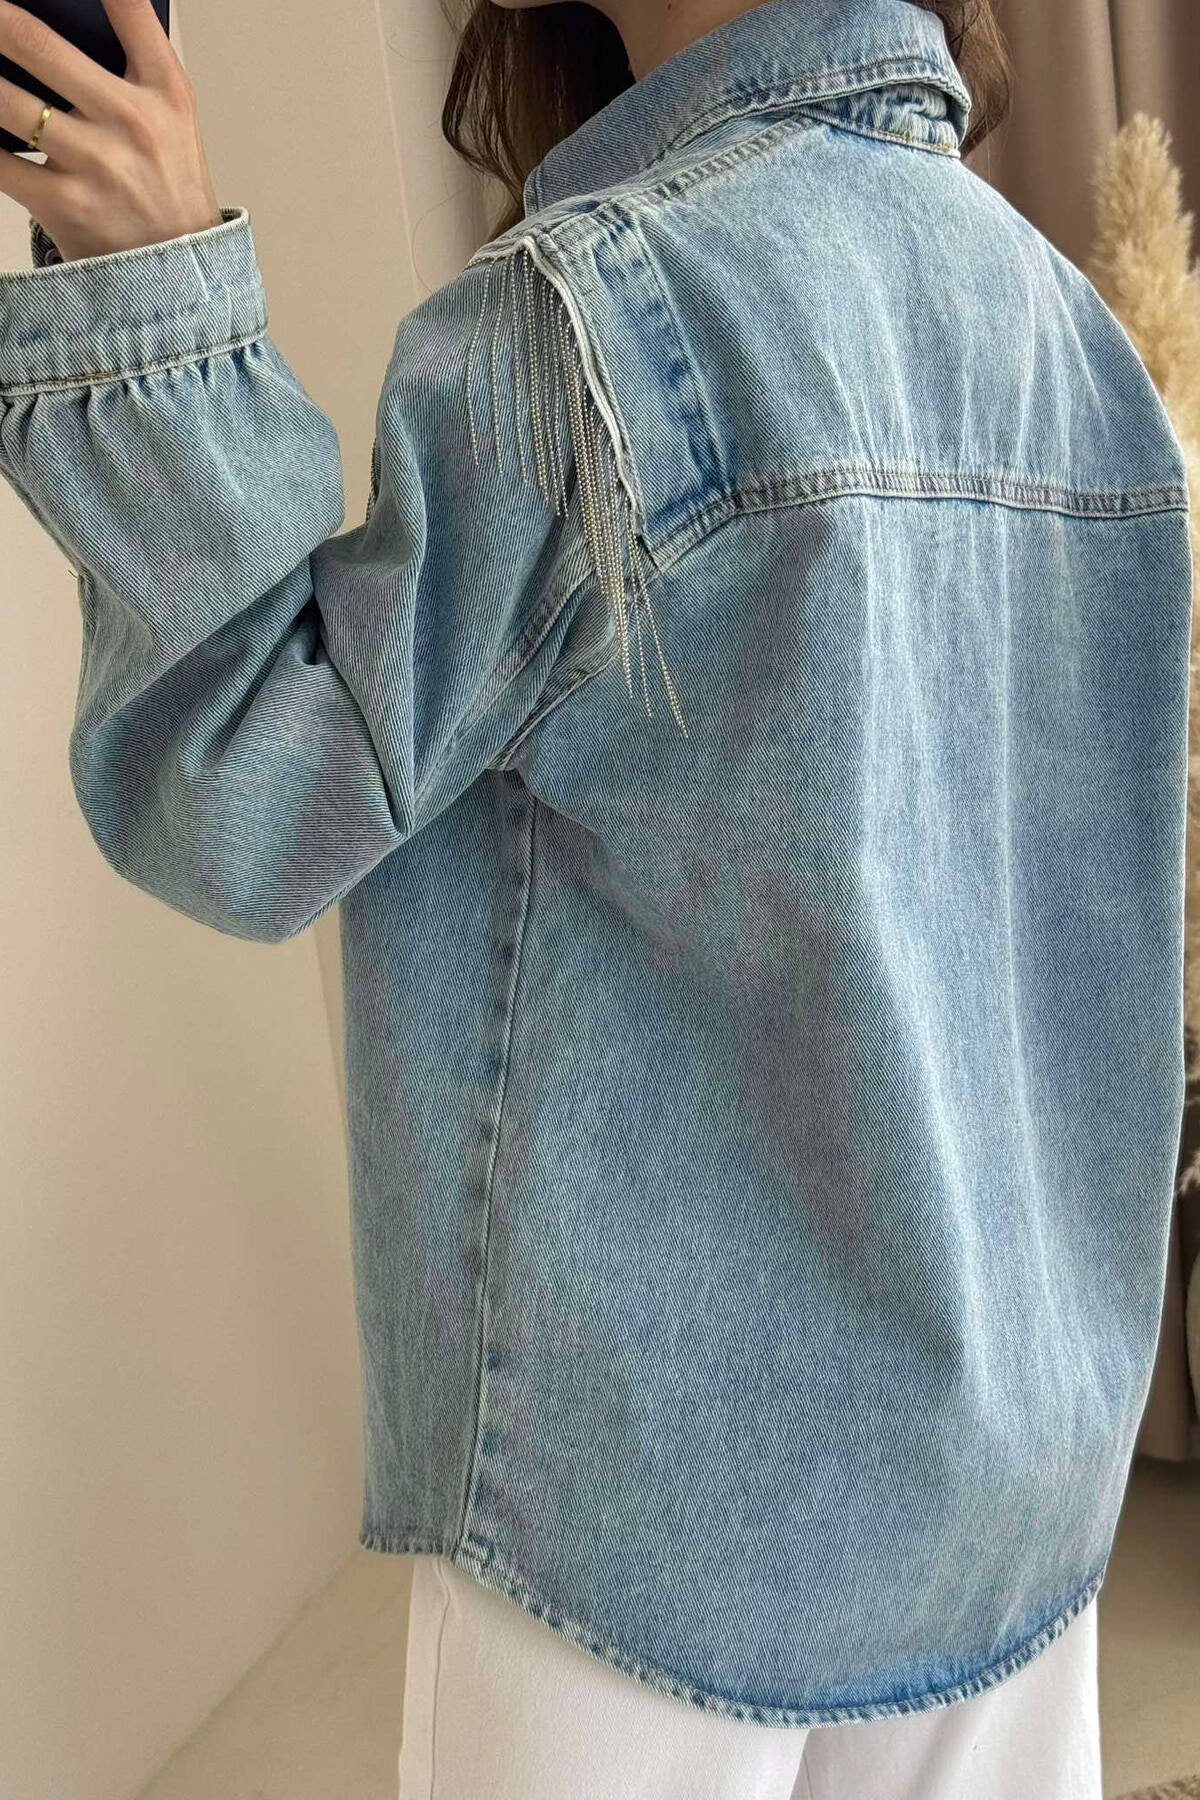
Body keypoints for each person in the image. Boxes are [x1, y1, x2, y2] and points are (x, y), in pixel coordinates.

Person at [0, 0, 1190, 1795]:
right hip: (1016, 1466)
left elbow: (253, 798)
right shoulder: (1066, 330)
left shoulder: (593, 323)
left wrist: (147, 281)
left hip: (652, 1505)